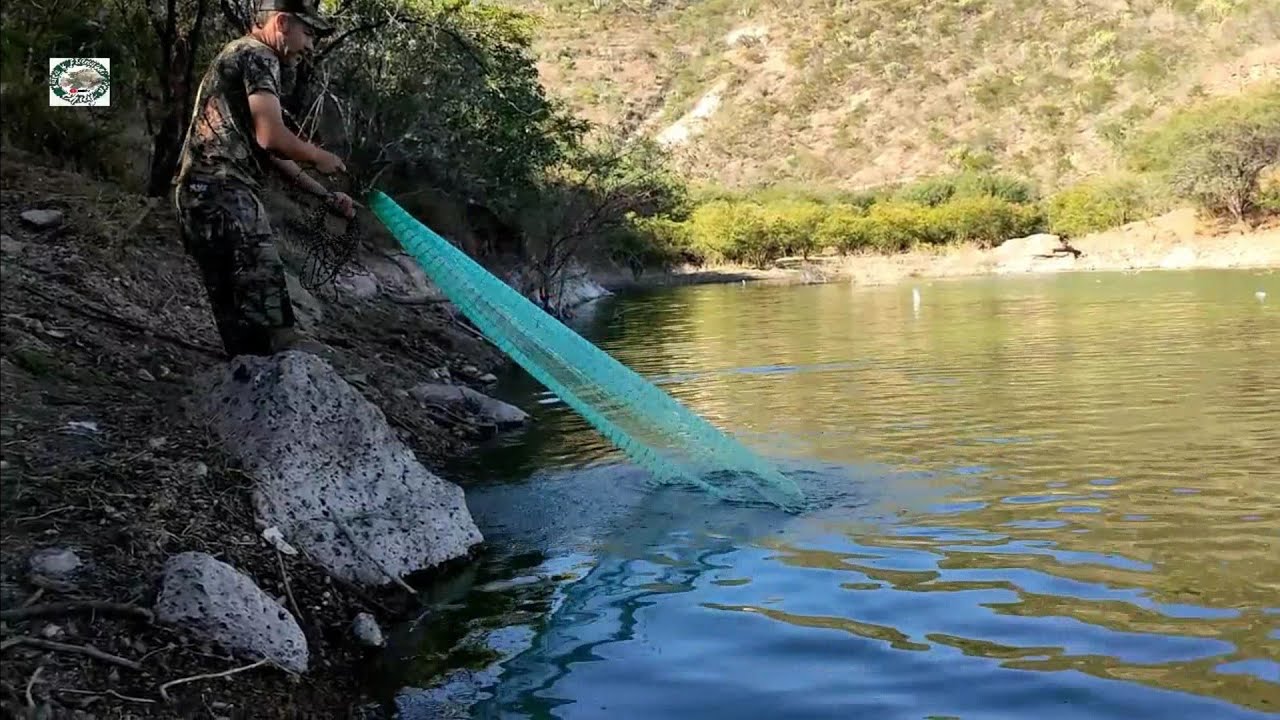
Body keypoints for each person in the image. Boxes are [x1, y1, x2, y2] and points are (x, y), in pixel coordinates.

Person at [172, 0, 355, 359]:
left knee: (237, 320)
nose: (309, 46)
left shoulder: (238, 54)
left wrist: (324, 195)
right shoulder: (260, 55)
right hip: (224, 190)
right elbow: (272, 137)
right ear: (282, 22)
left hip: (194, 195)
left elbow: (269, 152)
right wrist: (319, 156)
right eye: (307, 33)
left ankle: (247, 375)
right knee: (269, 313)